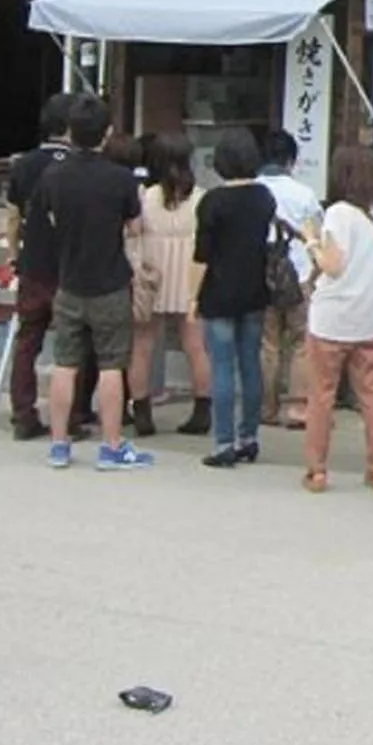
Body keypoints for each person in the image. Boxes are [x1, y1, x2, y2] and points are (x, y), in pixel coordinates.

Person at [31, 94, 150, 471]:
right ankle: (111, 446)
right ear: (107, 132)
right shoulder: (120, 179)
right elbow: (135, 226)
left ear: (70, 132)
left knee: (65, 363)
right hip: (111, 281)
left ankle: (59, 444)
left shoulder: (53, 176)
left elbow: (49, 219)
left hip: (69, 281)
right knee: (112, 364)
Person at [302, 143, 373, 493]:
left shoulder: (339, 213)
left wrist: (311, 242)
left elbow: (332, 266)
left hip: (333, 316)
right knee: (372, 394)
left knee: (322, 394)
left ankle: (317, 470)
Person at [188, 128, 279, 470]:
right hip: (254, 289)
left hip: (219, 291)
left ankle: (224, 442)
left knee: (222, 366)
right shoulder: (264, 197)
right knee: (250, 364)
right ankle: (249, 437)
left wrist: (192, 298)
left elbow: (202, 256)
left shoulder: (213, 202)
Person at [5, 92, 83, 441]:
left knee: (28, 340)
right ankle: (72, 416)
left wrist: (14, 253)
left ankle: (23, 413)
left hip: (33, 263)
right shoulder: (80, 164)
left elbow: (12, 215)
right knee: (72, 343)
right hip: (69, 264)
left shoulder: (24, 164)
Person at [127, 132, 211, 439]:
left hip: (153, 274)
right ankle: (202, 411)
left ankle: (142, 413)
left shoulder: (144, 196)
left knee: (143, 345)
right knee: (195, 344)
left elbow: (133, 232)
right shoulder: (202, 197)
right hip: (190, 276)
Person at [256, 129, 323, 429]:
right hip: (299, 275)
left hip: (261, 275)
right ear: (290, 160)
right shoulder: (304, 194)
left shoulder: (253, 189)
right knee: (301, 342)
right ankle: (297, 408)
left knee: (267, 343)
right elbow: (317, 237)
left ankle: (265, 408)